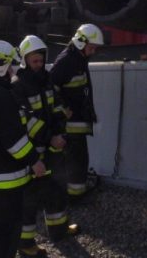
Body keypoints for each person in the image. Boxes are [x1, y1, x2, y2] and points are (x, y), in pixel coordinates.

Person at [0, 40, 46, 258]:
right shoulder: (0, 96)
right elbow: (14, 141)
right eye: (9, 66)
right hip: (7, 178)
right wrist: (35, 160)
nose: (12, 70)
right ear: (0, 66)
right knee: (7, 232)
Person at [12, 35, 79, 256]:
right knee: (29, 199)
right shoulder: (18, 86)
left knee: (57, 188)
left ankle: (58, 230)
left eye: (41, 60)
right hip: (33, 153)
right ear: (24, 60)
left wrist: (60, 131)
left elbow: (58, 107)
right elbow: (27, 122)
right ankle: (26, 243)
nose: (39, 65)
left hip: (53, 148)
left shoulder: (47, 79)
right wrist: (51, 137)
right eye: (34, 61)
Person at [50, 23, 104, 200]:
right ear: (81, 43)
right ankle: (76, 195)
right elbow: (51, 89)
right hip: (71, 123)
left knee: (78, 158)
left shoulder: (78, 59)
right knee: (76, 159)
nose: (93, 52)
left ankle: (75, 191)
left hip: (78, 120)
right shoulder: (67, 61)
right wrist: (63, 110)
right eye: (91, 47)